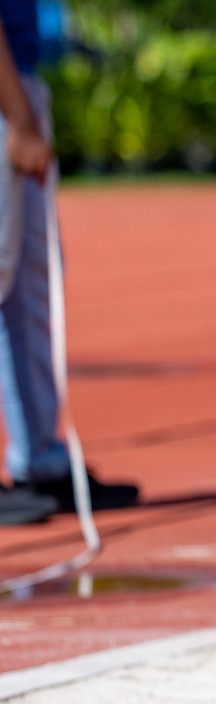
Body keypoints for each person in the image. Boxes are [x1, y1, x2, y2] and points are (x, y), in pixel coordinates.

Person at [0, 2, 136, 524]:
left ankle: (41, 459)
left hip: (21, 85)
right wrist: (19, 118)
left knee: (29, 284)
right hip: (9, 97)